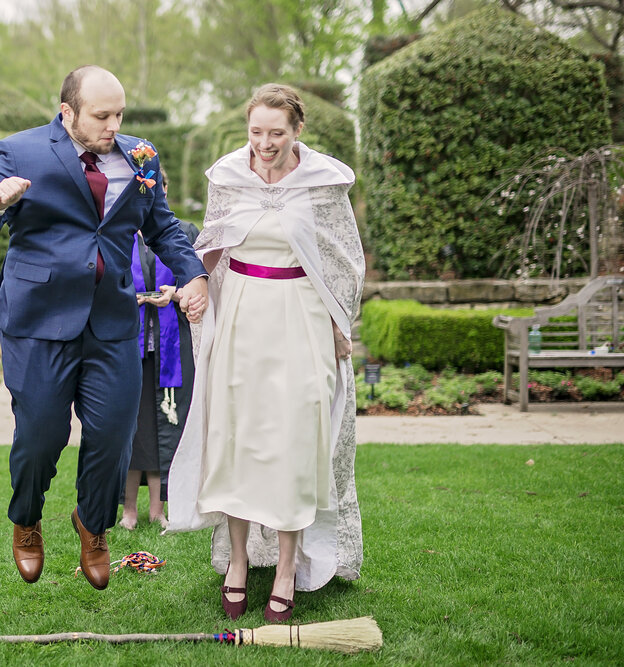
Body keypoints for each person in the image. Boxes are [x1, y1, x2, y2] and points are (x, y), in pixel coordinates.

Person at [0, 66, 208, 590]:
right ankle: (26, 520)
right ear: (68, 111)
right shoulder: (20, 150)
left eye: (119, 114)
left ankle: (94, 527)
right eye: (102, 115)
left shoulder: (140, 155)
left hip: (113, 319)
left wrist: (195, 275)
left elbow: (160, 224)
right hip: (37, 320)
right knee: (41, 434)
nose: (113, 125)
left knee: (114, 436)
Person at [165, 84, 365, 622]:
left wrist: (339, 320)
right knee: (235, 437)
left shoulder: (324, 185)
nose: (265, 143)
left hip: (300, 314)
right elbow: (209, 244)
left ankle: (284, 570)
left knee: (294, 441)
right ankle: (235, 563)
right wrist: (198, 281)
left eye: (276, 133)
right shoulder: (229, 177)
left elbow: (343, 258)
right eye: (256, 132)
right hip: (242, 316)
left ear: (297, 130)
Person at [121, 169, 199, 531]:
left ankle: (158, 509)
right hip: (126, 344)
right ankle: (127, 511)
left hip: (170, 347)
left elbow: (197, 281)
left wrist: (177, 293)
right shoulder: (119, 235)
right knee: (130, 428)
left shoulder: (184, 234)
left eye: (158, 190)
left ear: (164, 192)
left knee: (163, 428)